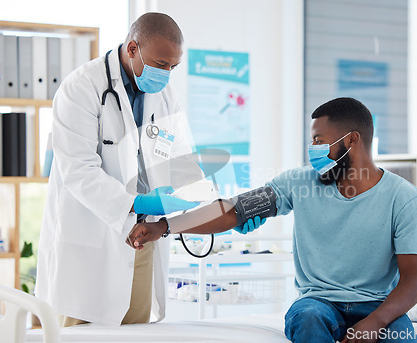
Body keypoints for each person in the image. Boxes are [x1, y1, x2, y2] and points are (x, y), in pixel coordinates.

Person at [127, 97, 417, 343]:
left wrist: (376, 322)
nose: (312, 150)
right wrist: (163, 226)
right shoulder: (300, 182)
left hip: (379, 306)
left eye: (319, 141)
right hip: (319, 303)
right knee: (308, 319)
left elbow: (413, 281)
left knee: (400, 337)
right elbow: (233, 209)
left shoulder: (405, 199)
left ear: (352, 140)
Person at [35, 12, 259, 326]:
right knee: (80, 331)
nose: (167, 74)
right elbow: (78, 171)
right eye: (160, 64)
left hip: (143, 240)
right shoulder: (82, 88)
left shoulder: (166, 95)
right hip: (89, 244)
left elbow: (181, 161)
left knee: (135, 331)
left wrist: (200, 191)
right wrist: (136, 202)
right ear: (132, 49)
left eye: (173, 66)